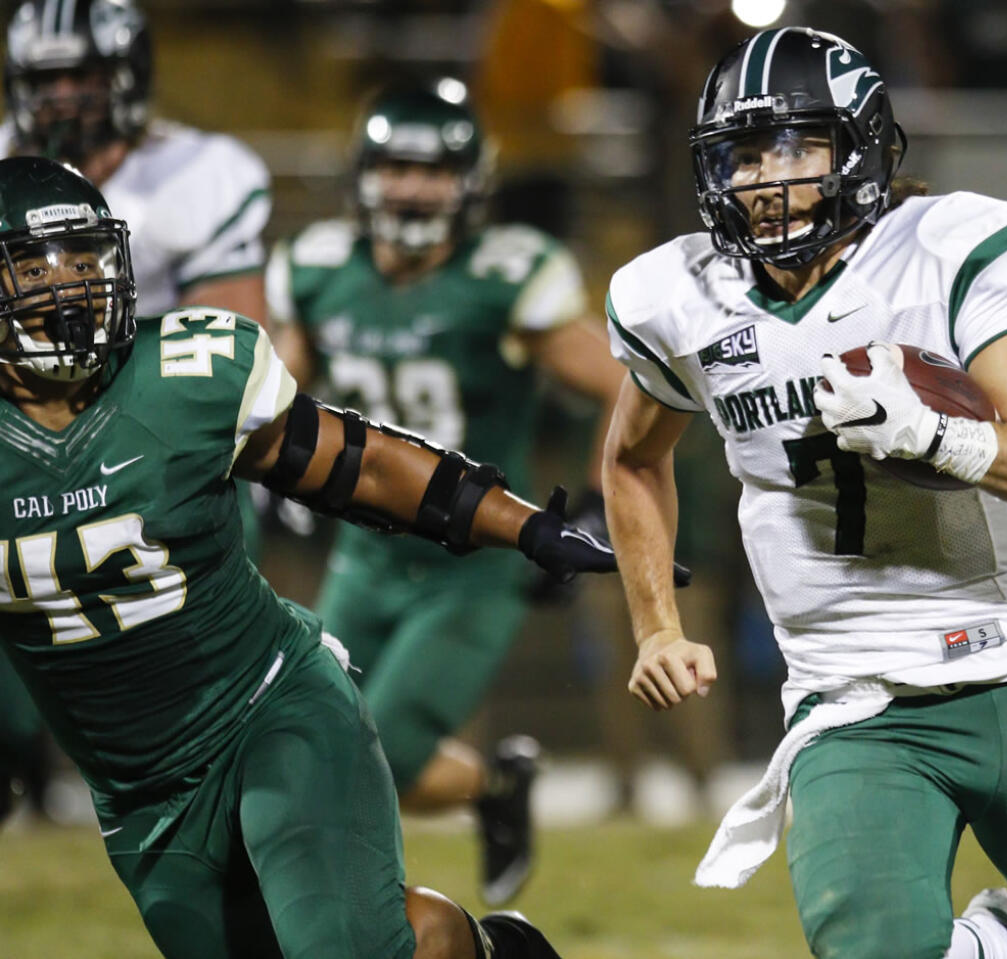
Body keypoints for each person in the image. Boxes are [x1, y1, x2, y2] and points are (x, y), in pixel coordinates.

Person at [602, 27, 1007, 959]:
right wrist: (656, 623)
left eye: (795, 145)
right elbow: (629, 458)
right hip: (853, 691)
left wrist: (933, 431)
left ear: (857, 151)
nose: (765, 178)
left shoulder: (941, 252)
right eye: (743, 154)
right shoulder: (682, 296)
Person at [0, 154, 618, 958]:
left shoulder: (179, 375)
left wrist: (525, 526)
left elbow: (359, 464)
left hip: (269, 709)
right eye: (36, 271)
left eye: (86, 263)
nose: (72, 291)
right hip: (139, 792)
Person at [267, 80, 627, 905]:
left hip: (471, 560)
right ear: (364, 174)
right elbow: (280, 396)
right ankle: (494, 787)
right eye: (397, 168)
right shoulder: (320, 271)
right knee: (303, 739)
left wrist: (605, 498)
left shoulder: (505, 276)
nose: (413, 189)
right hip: (364, 552)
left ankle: (439, 846)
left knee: (379, 752)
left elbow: (622, 386)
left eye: (433, 171)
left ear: (471, 183)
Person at [0, 0, 273, 818]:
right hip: (20, 451)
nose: (64, 97)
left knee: (209, 700)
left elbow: (225, 340)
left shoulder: (203, 173)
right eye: (47, 78)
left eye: (82, 74)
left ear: (126, 74)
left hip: (156, 453)